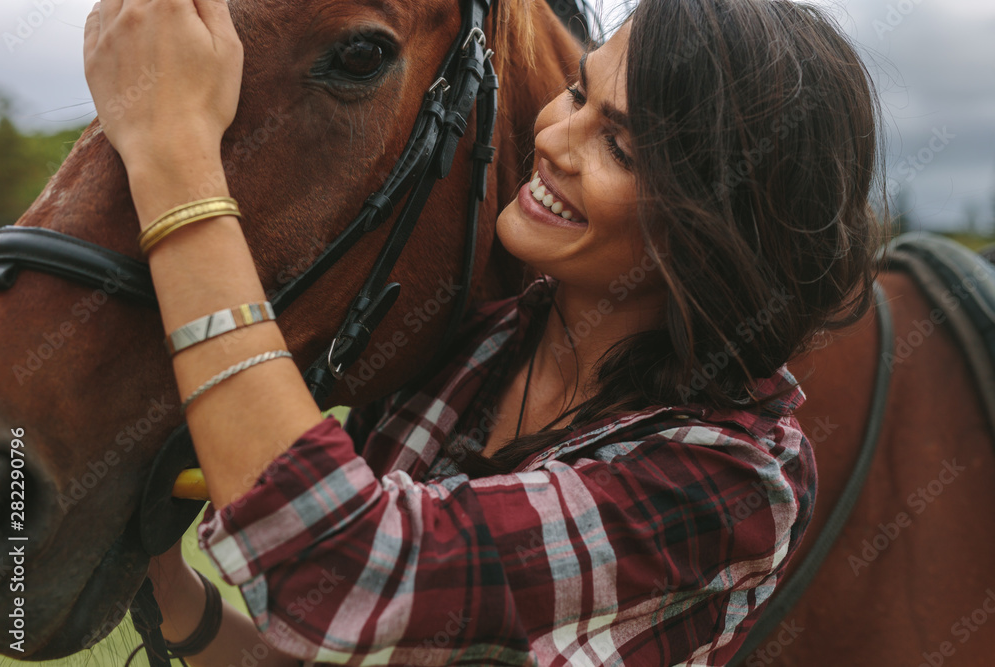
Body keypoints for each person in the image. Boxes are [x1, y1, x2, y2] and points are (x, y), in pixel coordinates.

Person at [83, 0, 883, 664]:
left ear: (720, 232)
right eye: (577, 93)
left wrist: (172, 154)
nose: (554, 141)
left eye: (621, 146)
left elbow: (358, 570)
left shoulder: (726, 483)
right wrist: (173, 593)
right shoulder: (472, 350)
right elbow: (339, 633)